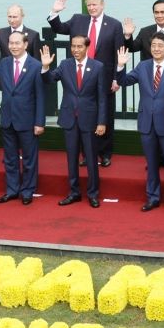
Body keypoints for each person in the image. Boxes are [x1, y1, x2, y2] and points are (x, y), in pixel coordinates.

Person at [48, 0, 124, 167]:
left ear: (102, 4)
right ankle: (86, 154)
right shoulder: (77, 20)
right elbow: (59, 28)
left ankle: (105, 153)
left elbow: (119, 54)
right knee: (82, 116)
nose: (91, 8)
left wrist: (116, 79)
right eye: (89, 5)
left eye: (94, 4)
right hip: (80, 77)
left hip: (104, 78)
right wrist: (55, 12)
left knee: (105, 115)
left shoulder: (114, 25)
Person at [115, 34, 164, 214]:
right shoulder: (143, 66)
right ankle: (152, 198)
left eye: (160, 45)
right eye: (153, 45)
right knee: (151, 163)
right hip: (146, 121)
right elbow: (124, 81)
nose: (156, 48)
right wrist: (120, 66)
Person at [0, 32, 45, 205]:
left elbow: (40, 96)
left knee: (29, 159)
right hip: (8, 119)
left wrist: (39, 122)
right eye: (11, 43)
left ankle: (28, 191)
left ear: (25, 44)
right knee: (10, 159)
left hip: (28, 121)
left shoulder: (36, 66)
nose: (14, 46)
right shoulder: (4, 63)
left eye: (17, 43)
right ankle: (12, 190)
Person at [40, 36, 107, 208]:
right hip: (69, 118)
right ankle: (74, 192)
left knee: (91, 158)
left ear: (87, 48)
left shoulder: (98, 67)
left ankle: (93, 194)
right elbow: (49, 80)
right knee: (71, 158)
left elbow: (102, 97)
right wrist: (45, 67)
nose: (76, 50)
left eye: (79, 46)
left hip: (90, 118)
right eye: (73, 46)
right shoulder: (65, 65)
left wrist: (101, 122)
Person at [123, 0, 164, 75]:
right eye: (156, 12)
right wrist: (127, 35)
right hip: (149, 78)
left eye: (163, 12)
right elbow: (131, 48)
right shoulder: (145, 32)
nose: (159, 15)